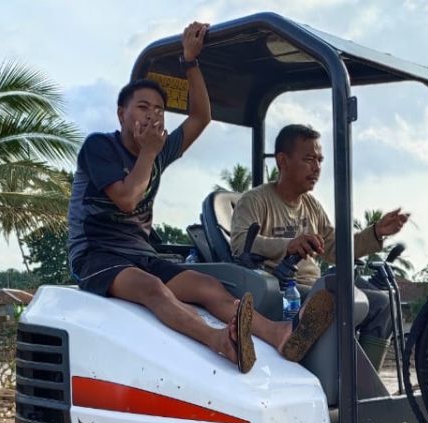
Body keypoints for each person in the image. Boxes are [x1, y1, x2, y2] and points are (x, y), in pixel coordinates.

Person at [67, 24, 333, 373]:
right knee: (153, 289)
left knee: (208, 285)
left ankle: (280, 334)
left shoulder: (157, 153)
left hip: (140, 254)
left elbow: (200, 117)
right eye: (143, 107)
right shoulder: (100, 147)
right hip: (97, 255)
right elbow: (127, 200)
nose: (152, 115)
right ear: (122, 114)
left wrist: (190, 62)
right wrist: (149, 152)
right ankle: (219, 341)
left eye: (159, 110)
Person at [228, 124, 409, 369]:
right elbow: (240, 245)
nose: (317, 168)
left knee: (382, 303)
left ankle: (364, 386)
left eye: (320, 160)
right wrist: (288, 245)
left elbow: (336, 248)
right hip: (282, 290)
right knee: (334, 299)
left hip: (316, 286)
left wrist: (376, 232)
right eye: (309, 159)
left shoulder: (311, 206)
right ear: (283, 160)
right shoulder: (256, 201)